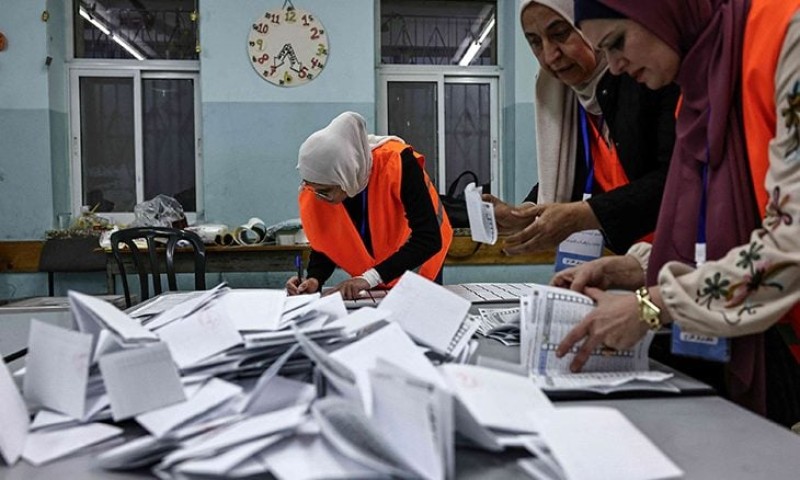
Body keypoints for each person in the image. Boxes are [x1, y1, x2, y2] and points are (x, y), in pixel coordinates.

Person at [554, 0, 800, 427]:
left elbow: (791, 244)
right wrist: (637, 268)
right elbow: (723, 232)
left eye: (617, 42)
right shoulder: (704, 85)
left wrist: (652, 305)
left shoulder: (786, 37)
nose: (614, 66)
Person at [486, 0, 679, 256]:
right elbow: (569, 175)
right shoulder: (566, 96)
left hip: (679, 253)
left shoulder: (647, 75)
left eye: (560, 33)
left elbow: (676, 181)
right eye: (535, 42)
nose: (549, 56)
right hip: (623, 257)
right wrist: (525, 213)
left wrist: (586, 214)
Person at [286, 111, 453, 300]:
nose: (319, 197)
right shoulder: (320, 186)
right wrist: (314, 279)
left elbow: (428, 238)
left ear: (346, 175)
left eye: (325, 191)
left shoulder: (398, 163)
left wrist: (368, 279)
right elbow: (328, 241)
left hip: (419, 265)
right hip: (372, 277)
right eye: (312, 188)